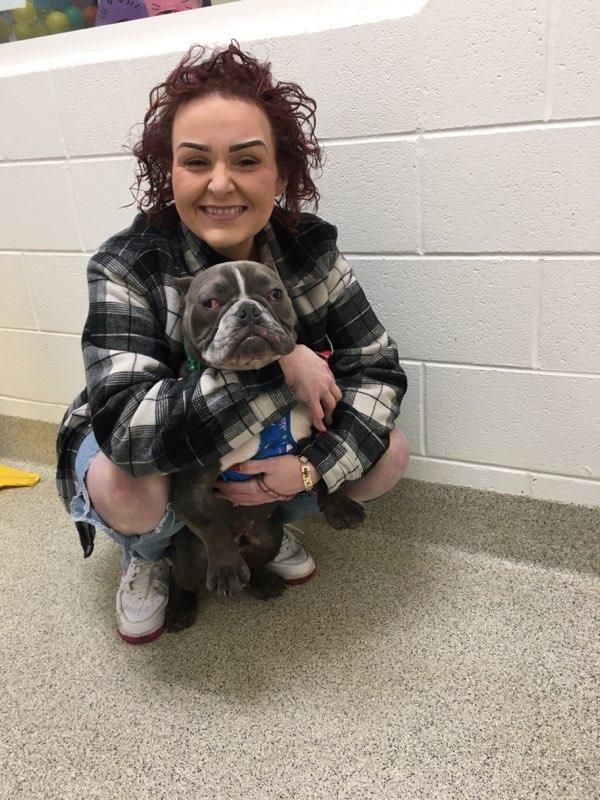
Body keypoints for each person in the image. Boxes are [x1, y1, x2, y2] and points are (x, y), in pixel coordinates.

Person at [55, 41, 409, 645]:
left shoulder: (312, 250)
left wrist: (311, 469)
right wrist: (284, 360)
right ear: (169, 173)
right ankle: (152, 552)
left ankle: (261, 519)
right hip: (144, 439)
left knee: (389, 452)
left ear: (281, 172)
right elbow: (133, 434)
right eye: (196, 161)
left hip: (256, 443)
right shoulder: (127, 263)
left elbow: (376, 369)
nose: (220, 184)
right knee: (126, 488)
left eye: (246, 160)